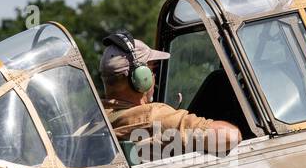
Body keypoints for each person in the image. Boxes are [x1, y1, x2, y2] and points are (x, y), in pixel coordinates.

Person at [99, 32, 241, 160]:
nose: (154, 77)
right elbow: (230, 136)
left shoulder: (97, 120)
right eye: (152, 70)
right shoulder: (153, 116)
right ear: (142, 78)